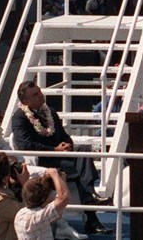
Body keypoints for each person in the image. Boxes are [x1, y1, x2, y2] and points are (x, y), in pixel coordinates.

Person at [9, 82, 104, 235]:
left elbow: (63, 134)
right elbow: (24, 145)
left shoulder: (50, 112)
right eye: (35, 94)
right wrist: (54, 149)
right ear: (25, 101)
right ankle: (91, 211)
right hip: (43, 159)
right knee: (77, 169)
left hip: (60, 155)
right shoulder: (20, 117)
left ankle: (90, 194)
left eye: (39, 92)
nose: (40, 95)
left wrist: (68, 145)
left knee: (83, 152)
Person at [13, 168, 69, 240]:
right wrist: (55, 175)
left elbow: (58, 212)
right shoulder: (38, 218)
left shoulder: (20, 214)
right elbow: (64, 198)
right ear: (44, 198)